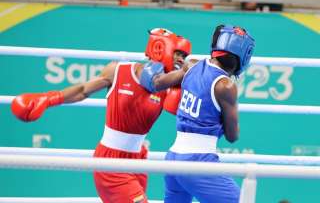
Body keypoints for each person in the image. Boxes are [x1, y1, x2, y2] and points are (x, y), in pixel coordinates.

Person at [10, 28, 191, 203]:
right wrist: (49, 99)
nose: (181, 60)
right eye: (178, 54)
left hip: (137, 158)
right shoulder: (119, 71)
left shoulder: (169, 85)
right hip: (110, 161)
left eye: (184, 57)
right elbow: (82, 91)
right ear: (160, 47)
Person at [158, 25, 255, 203]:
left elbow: (159, 83)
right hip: (198, 162)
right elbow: (233, 136)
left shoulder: (191, 65)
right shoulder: (225, 86)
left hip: (172, 157)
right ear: (241, 56)